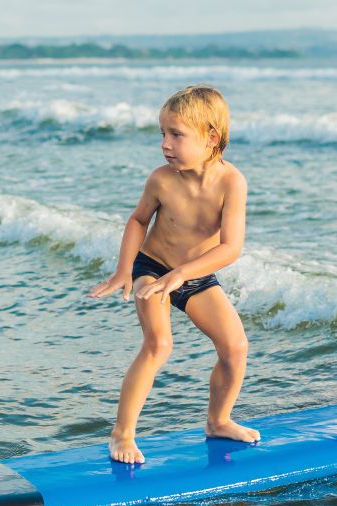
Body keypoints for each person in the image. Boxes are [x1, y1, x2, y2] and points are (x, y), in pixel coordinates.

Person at [87, 84, 261, 464]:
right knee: (158, 345)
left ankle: (218, 421)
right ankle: (122, 434)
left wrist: (184, 274)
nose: (165, 143)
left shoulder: (232, 183)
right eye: (162, 133)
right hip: (152, 268)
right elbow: (138, 220)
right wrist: (123, 269)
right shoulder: (162, 179)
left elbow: (230, 247)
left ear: (211, 137)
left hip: (194, 274)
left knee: (235, 348)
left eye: (176, 135)